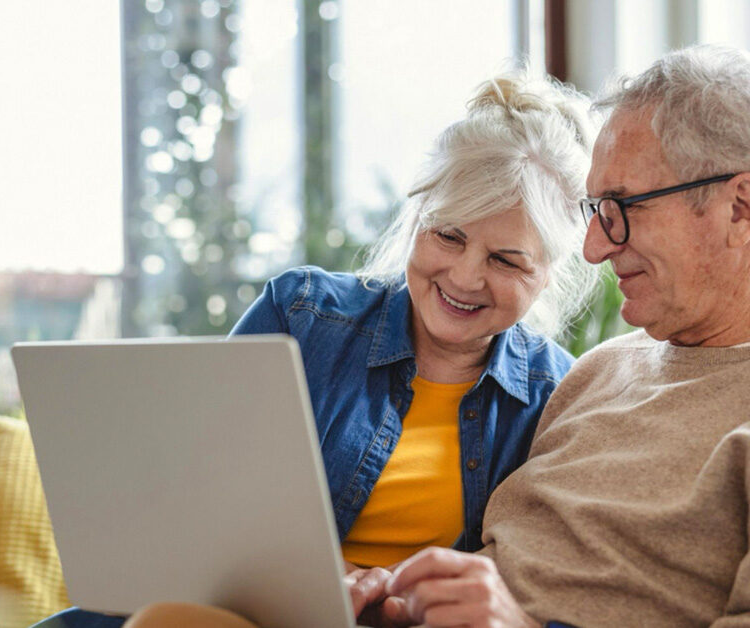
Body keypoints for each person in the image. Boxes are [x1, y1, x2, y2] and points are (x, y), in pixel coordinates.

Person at [31, 68, 598, 627]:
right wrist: (333, 578)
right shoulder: (302, 315)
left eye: (505, 260)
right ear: (416, 217)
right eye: (448, 235)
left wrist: (390, 599)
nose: (466, 276)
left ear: (548, 272)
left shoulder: (559, 398)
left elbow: (541, 591)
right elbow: (197, 512)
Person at [344, 43, 750, 627]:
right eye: (596, 208)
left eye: (622, 206)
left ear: (739, 208)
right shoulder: (600, 372)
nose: (594, 248)